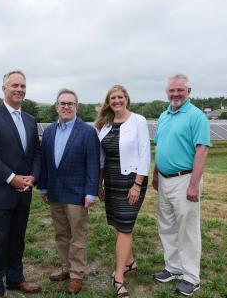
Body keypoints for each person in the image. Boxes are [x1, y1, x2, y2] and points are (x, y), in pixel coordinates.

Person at [0, 70, 42, 298]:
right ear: (3, 88)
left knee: (17, 238)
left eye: (23, 86)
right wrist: (11, 178)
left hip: (24, 191)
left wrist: (32, 177)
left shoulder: (30, 120)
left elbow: (36, 153)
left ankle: (15, 279)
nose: (19, 89)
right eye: (14, 85)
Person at [152, 74, 210, 296]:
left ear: (189, 91)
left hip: (185, 180)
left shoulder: (196, 117)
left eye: (180, 90)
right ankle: (174, 268)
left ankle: (191, 277)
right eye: (171, 90)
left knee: (187, 230)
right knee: (166, 226)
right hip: (165, 180)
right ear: (167, 92)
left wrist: (194, 185)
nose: (175, 94)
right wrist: (156, 173)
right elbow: (161, 147)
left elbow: (202, 150)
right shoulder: (164, 115)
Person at [39, 89, 100, 294]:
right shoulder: (48, 132)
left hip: (77, 193)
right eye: (62, 103)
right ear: (56, 106)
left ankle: (76, 275)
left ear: (77, 107)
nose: (66, 107)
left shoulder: (87, 131)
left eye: (70, 103)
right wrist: (44, 186)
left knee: (78, 236)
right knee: (61, 234)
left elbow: (93, 164)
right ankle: (66, 268)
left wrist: (91, 192)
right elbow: (45, 162)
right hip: (55, 192)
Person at [95, 85, 150, 298]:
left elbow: (144, 154)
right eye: (113, 98)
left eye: (120, 97)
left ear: (127, 99)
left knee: (125, 227)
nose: (116, 101)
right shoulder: (105, 125)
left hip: (131, 182)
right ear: (109, 102)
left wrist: (137, 185)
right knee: (119, 225)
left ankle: (118, 277)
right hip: (111, 181)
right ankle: (129, 262)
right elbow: (101, 158)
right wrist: (99, 184)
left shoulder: (138, 121)